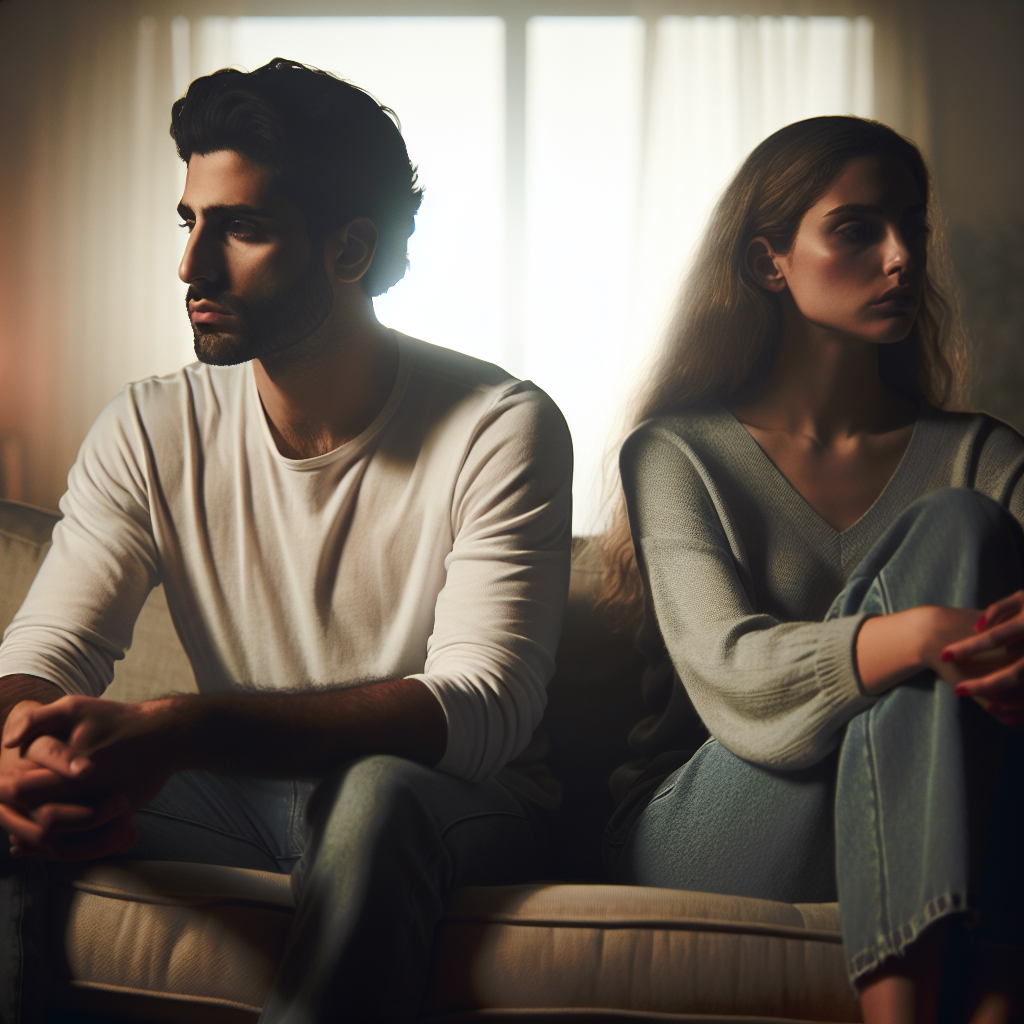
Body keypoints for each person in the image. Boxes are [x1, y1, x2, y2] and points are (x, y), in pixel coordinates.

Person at [0, 60, 572, 1023]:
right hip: (234, 802)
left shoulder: (498, 423)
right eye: (190, 221)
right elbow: (49, 649)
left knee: (377, 792)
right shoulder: (149, 426)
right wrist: (18, 737)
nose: (193, 266)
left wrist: (184, 726)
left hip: (443, 807)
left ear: (351, 249)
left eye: (243, 227)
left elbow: (485, 706)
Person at [597, 116, 1023, 1024]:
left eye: (913, 225)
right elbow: (731, 671)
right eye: (859, 229)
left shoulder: (983, 454)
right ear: (769, 263)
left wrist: (944, 655)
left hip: (934, 796)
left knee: (953, 576)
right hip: (720, 821)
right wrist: (909, 635)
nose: (904, 256)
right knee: (940, 606)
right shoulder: (677, 454)